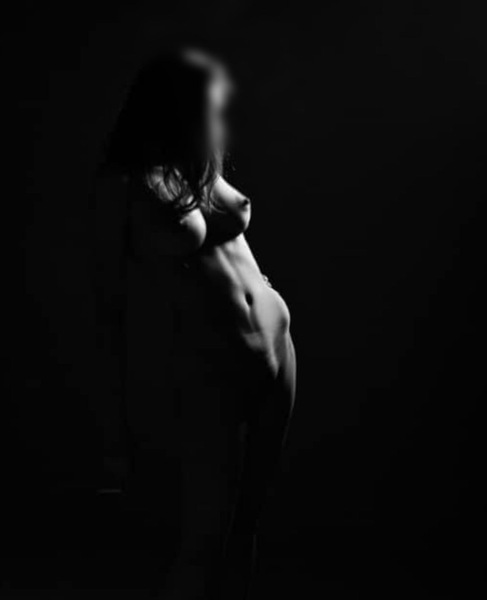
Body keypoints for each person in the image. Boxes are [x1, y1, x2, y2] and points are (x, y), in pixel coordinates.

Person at [105, 48, 296, 599]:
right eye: (209, 103)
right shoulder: (123, 185)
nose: (218, 113)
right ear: (173, 104)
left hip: (277, 345)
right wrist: (115, 420)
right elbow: (107, 301)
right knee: (204, 537)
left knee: (246, 527)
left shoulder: (195, 164)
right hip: (214, 366)